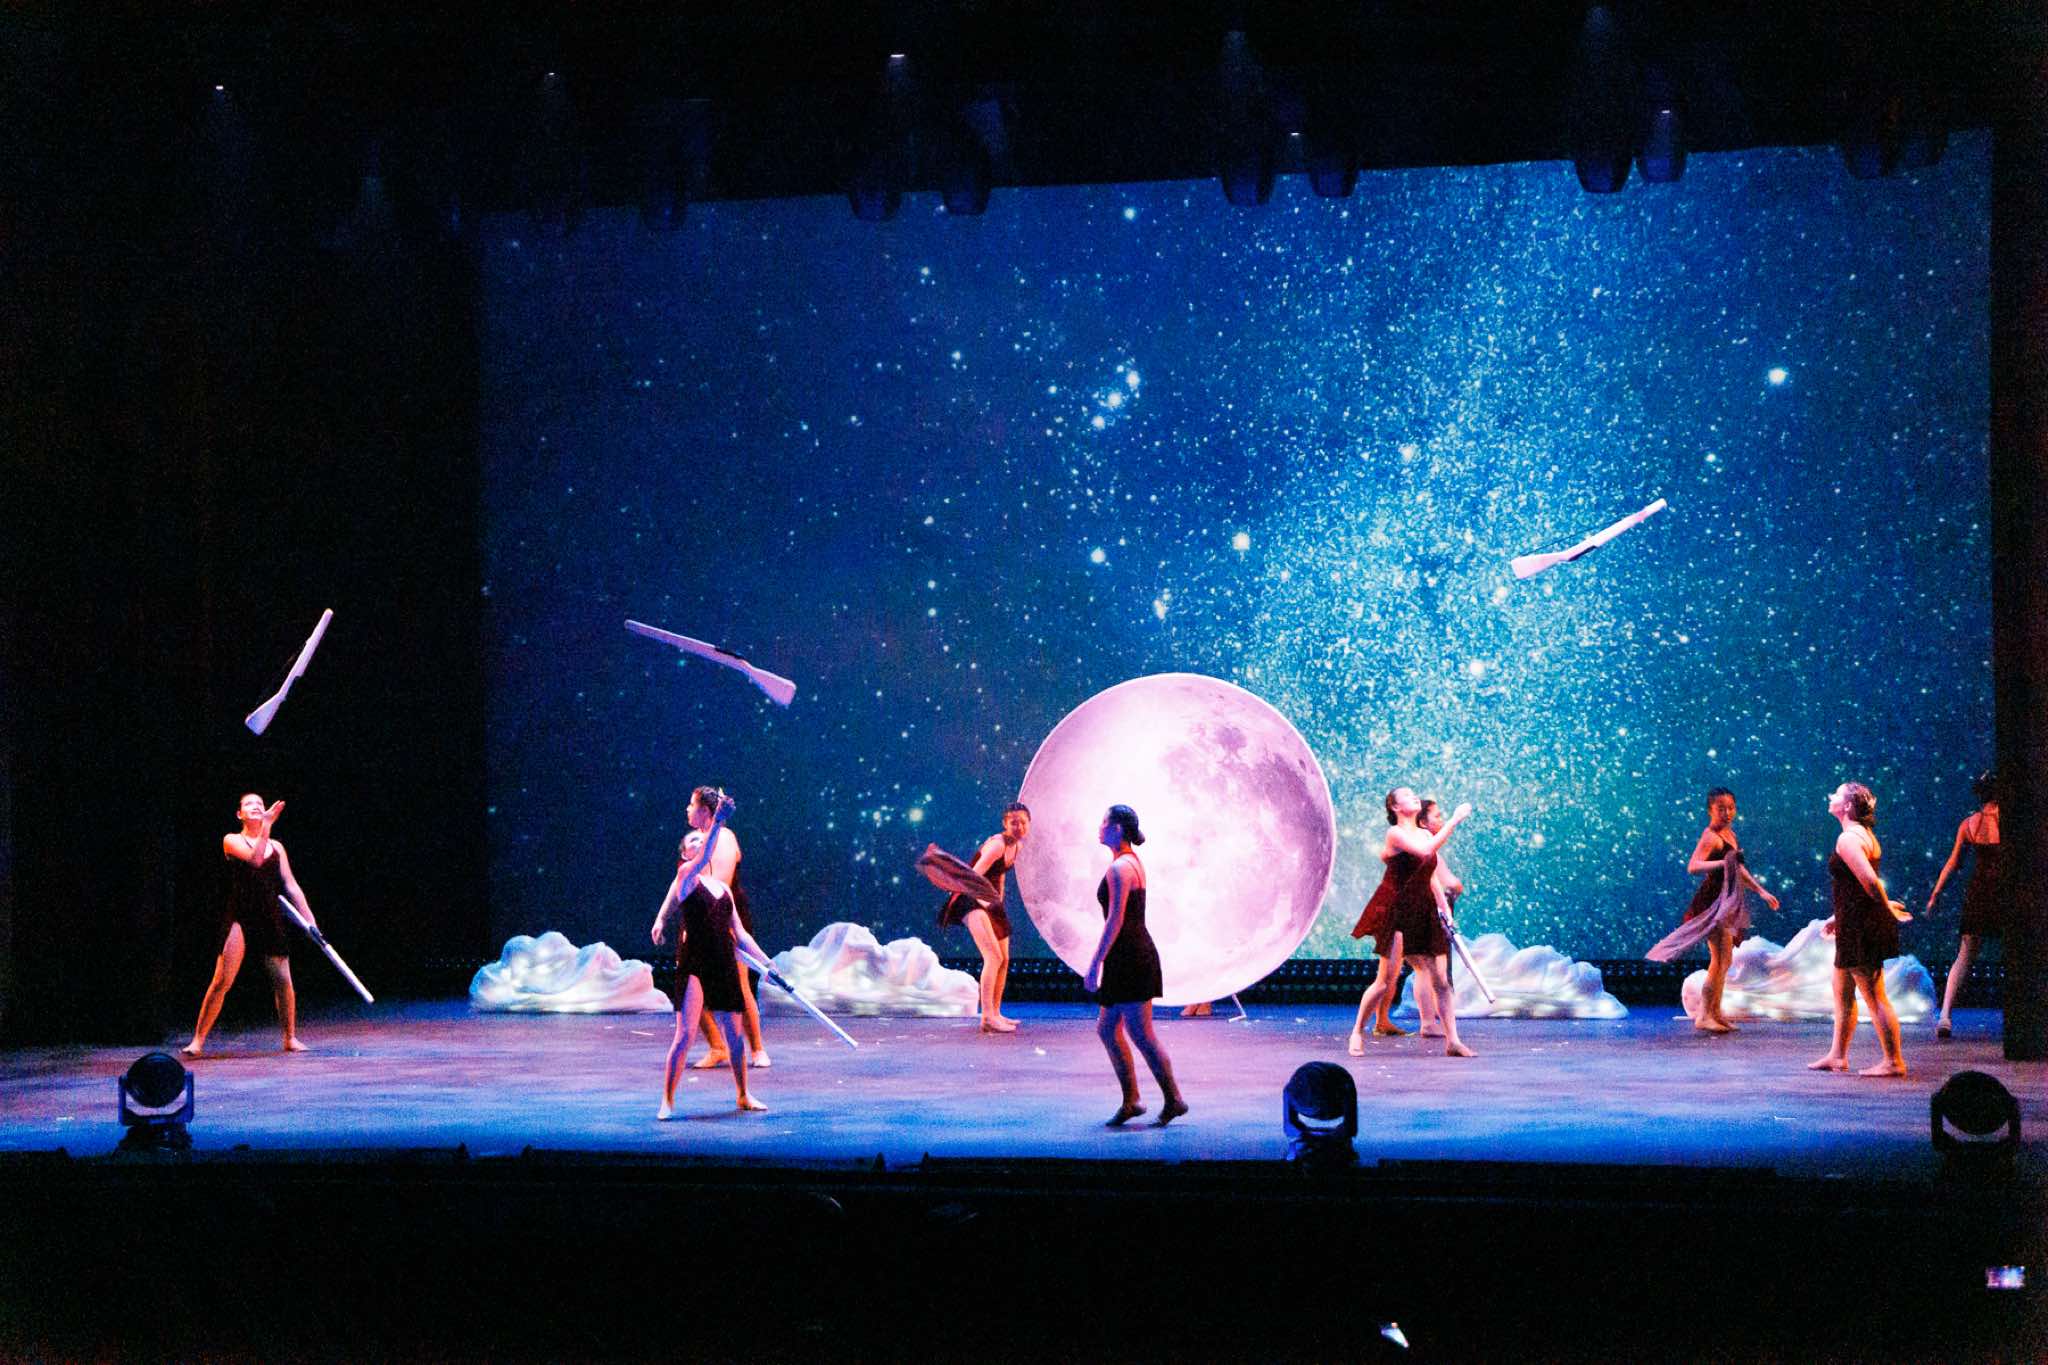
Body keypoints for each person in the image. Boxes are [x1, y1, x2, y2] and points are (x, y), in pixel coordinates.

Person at [651, 792, 770, 1116]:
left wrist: (768, 963)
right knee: (685, 1034)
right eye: (692, 841)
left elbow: (741, 934)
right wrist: (718, 821)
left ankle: (743, 1095)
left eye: (699, 839)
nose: (697, 841)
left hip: (722, 962)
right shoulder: (685, 878)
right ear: (686, 853)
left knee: (735, 1036)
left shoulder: (724, 890)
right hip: (695, 963)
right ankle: (667, 1100)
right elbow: (702, 857)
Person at [184, 793, 316, 1055]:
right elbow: (255, 860)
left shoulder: (277, 847)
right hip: (240, 914)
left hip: (269, 914)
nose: (256, 807)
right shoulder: (231, 840)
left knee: (283, 979)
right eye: (249, 804)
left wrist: (310, 922)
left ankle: (290, 1038)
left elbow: (291, 885)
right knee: (222, 979)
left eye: (259, 804)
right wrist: (266, 826)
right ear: (239, 814)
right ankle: (197, 1040)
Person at [1348, 788, 1475, 1058]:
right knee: (1384, 981)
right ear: (1395, 807)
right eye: (1406, 795)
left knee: (1440, 979)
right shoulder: (1396, 834)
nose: (1414, 796)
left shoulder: (1425, 833)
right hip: (1397, 910)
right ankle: (1357, 1031)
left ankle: (1453, 1041)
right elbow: (1425, 851)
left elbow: (1430, 876)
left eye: (1414, 794)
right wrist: (1454, 819)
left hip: (1423, 910)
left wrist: (1444, 909)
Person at [1083, 805, 1188, 1127]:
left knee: (1141, 1034)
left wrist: (1094, 963)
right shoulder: (1129, 862)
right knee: (1107, 1028)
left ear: (1117, 829)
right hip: (1126, 956)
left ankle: (1173, 1099)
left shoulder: (1120, 869)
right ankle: (1131, 1100)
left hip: (1130, 958)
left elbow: (1115, 920)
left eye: (1104, 822)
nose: (1099, 827)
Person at [1651, 787, 1781, 1033]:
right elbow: (1693, 866)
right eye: (1721, 808)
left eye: (1731, 808)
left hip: (1727, 901)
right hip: (1713, 902)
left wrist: (1761, 891)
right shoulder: (1711, 836)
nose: (1727, 812)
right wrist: (1724, 862)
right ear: (1710, 810)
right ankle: (1704, 1015)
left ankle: (1715, 1012)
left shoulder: (1730, 834)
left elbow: (1738, 869)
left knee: (1725, 960)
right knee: (1719, 960)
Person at [1808, 782, 1910, 1077]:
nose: (1831, 796)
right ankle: (1837, 1055)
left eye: (1837, 794)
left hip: (1860, 926)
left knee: (1874, 994)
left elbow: (1870, 883)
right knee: (1842, 990)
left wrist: (1887, 908)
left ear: (1848, 805)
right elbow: (1855, 888)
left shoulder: (1849, 839)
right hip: (1853, 921)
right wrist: (1837, 917)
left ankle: (1893, 1061)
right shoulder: (1861, 835)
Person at [679, 786, 769, 1070]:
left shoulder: (724, 838)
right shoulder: (695, 841)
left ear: (706, 810)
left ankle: (757, 1048)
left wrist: (720, 925)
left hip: (723, 912)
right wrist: (662, 918)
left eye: (692, 805)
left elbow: (719, 882)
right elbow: (680, 883)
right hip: (698, 915)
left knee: (738, 983)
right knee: (689, 986)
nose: (687, 809)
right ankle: (718, 1047)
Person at [938, 802, 1030, 1031]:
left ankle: (996, 1013)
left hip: (989, 901)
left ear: (1029, 824)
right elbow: (971, 877)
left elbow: (999, 875)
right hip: (970, 899)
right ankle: (987, 1017)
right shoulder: (997, 845)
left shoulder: (1016, 846)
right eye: (1014, 822)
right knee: (993, 957)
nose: (1018, 827)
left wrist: (999, 903)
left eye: (1023, 822)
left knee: (1004, 959)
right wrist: (984, 902)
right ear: (1005, 824)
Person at [1928, 772, 2001, 1039]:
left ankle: (1945, 1016)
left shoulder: (1969, 824)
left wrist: (1936, 893)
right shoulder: (2011, 821)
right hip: (2005, 892)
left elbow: (1953, 863)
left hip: (1979, 892)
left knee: (1965, 954)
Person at [1411, 799, 1462, 1038]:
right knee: (1432, 971)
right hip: (1429, 911)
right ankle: (1430, 1023)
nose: (1441, 820)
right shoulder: (1422, 845)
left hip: (1427, 908)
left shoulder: (1419, 843)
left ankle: (1431, 1022)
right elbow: (1443, 881)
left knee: (1427, 970)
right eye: (1437, 816)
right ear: (1423, 822)